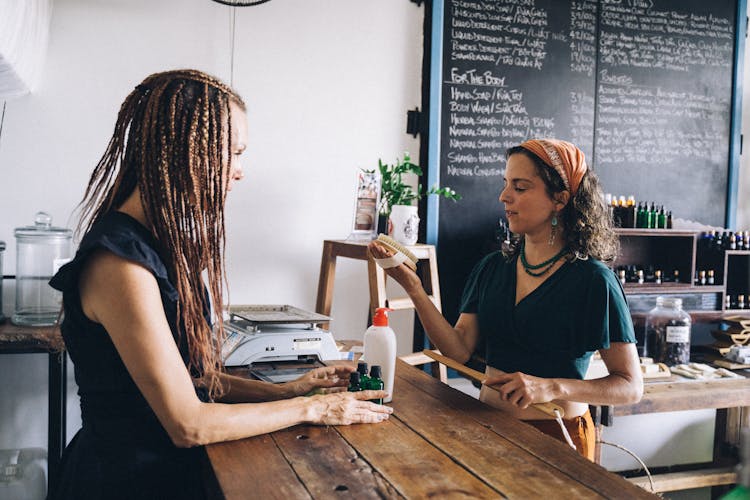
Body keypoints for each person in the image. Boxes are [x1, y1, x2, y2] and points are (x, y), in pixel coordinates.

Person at [48, 69, 391, 499]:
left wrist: (287, 390)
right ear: (184, 152)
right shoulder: (119, 266)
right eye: (234, 152)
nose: (240, 171)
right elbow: (188, 423)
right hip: (127, 483)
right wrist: (314, 407)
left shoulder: (158, 245)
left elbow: (193, 378)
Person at [369, 138, 642, 460]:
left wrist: (552, 387)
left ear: (560, 199)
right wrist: (414, 288)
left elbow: (629, 387)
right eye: (505, 185)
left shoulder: (594, 281)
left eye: (521, 187)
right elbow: (457, 350)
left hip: (556, 437)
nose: (504, 197)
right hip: (484, 428)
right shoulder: (493, 267)